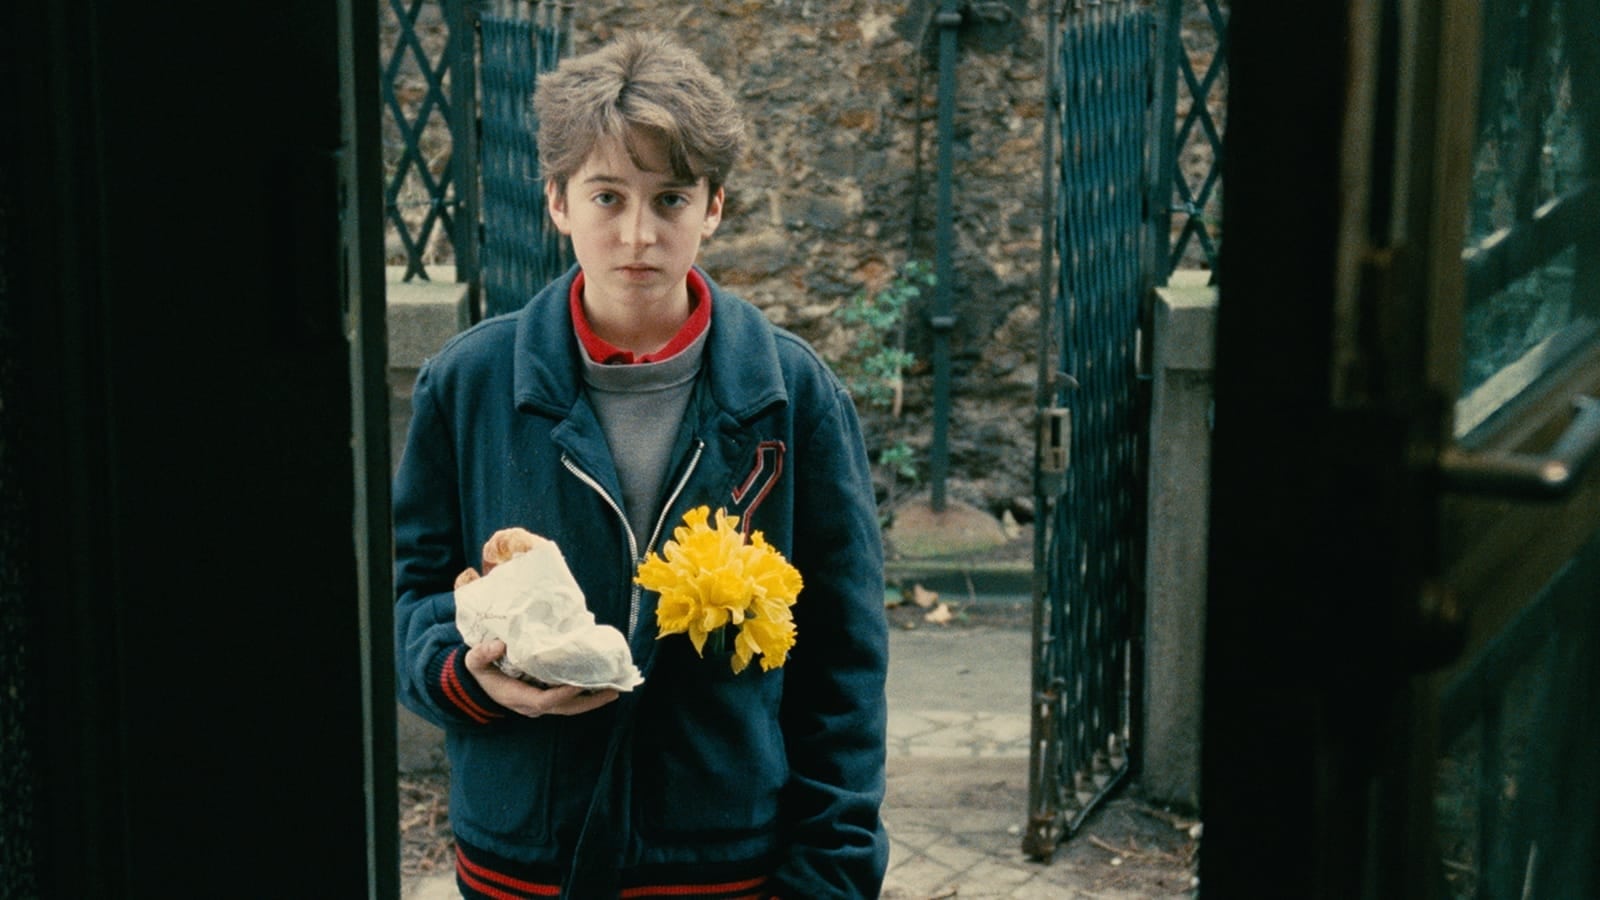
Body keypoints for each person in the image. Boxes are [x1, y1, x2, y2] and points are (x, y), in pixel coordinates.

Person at [393, 30, 890, 900]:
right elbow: (406, 601)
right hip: (526, 861)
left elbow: (844, 664)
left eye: (670, 199)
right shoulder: (468, 385)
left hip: (725, 863)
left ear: (714, 207)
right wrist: (468, 675)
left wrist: (829, 875)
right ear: (558, 202)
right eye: (607, 196)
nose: (638, 234)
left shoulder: (791, 396)